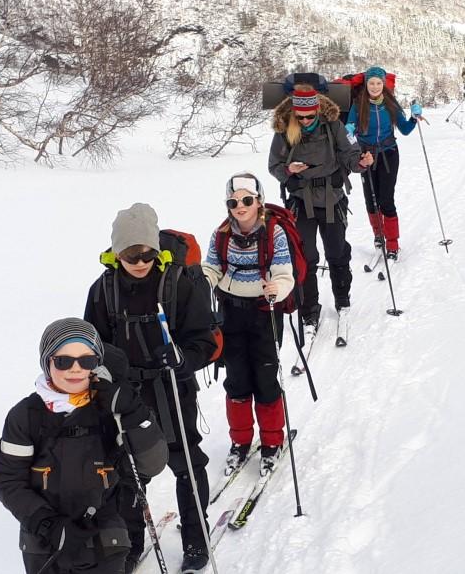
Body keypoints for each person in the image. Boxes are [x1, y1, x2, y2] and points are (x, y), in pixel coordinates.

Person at [84, 203, 216, 574]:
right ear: (117, 253)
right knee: (128, 468)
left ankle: (196, 537)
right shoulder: (103, 290)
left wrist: (183, 358)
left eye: (146, 253)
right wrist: (103, 377)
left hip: (172, 386)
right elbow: (91, 345)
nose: (140, 261)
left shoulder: (178, 283)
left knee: (186, 461)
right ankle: (130, 543)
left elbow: (203, 339)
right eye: (131, 254)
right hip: (127, 395)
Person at [0, 318, 168, 574]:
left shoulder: (112, 409)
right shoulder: (26, 415)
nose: (75, 369)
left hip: (105, 538)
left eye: (86, 360)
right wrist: (47, 524)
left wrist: (133, 414)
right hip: (44, 544)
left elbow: (151, 465)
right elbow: (7, 478)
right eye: (63, 361)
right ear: (47, 362)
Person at [201, 171, 294, 476]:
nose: (239, 206)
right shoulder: (221, 234)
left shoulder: (275, 232)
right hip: (231, 313)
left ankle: (271, 442)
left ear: (258, 201)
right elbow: (212, 266)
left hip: (264, 311)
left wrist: (277, 289)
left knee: (266, 380)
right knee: (237, 380)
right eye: (233, 201)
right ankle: (240, 442)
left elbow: (283, 272)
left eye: (246, 200)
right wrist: (201, 282)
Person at [268, 85, 373, 334]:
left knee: (337, 252)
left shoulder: (333, 125)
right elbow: (274, 165)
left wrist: (361, 162)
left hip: (331, 198)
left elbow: (350, 155)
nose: (304, 121)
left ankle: (342, 299)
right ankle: (309, 309)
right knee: (306, 257)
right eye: (300, 117)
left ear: (317, 111)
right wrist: (288, 172)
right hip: (301, 200)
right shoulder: (284, 130)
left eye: (309, 116)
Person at [344, 66, 422, 260]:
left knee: (386, 200)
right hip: (366, 156)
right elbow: (348, 133)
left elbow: (404, 129)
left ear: (384, 84)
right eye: (372, 83)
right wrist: (349, 131)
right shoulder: (358, 104)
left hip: (388, 154)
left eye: (379, 83)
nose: (375, 86)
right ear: (366, 84)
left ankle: (393, 243)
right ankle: (379, 237)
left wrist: (413, 118)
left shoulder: (391, 104)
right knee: (371, 200)